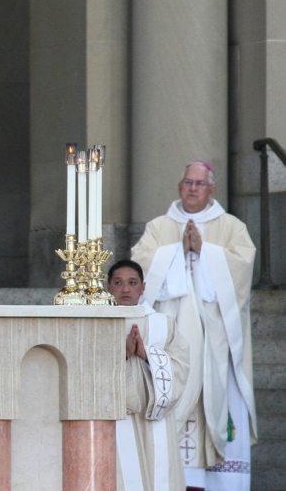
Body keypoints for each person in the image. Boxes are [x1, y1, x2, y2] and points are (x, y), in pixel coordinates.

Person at [131, 161, 257, 490]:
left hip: (217, 339)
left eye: (199, 184)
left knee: (217, 397)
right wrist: (176, 252)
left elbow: (243, 267)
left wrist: (206, 252)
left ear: (211, 190)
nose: (192, 188)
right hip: (172, 338)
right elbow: (140, 265)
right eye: (187, 181)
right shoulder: (159, 226)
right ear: (179, 186)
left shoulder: (231, 227)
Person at [109, 260, 190, 491]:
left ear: (143, 288)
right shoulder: (98, 324)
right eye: (118, 283)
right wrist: (122, 355)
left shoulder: (163, 324)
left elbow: (181, 367)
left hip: (155, 417)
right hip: (116, 420)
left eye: (132, 283)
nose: (125, 289)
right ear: (108, 286)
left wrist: (148, 355)